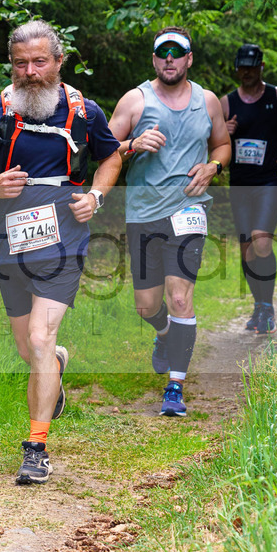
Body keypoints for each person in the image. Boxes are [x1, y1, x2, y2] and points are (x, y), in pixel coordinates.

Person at [0, 20, 122, 484]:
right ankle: (56, 364)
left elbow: (111, 156)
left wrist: (96, 197)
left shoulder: (85, 112)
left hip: (65, 242)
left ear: (58, 62)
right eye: (20, 63)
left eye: (39, 62)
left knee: (42, 341)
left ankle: (36, 448)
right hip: (11, 243)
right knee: (32, 350)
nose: (30, 71)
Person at [108, 26, 231, 417]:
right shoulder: (135, 100)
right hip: (143, 213)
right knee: (147, 306)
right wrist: (132, 145)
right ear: (155, 59)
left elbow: (222, 144)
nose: (170, 59)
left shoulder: (207, 101)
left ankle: (175, 386)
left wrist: (213, 166)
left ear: (189, 58)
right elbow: (105, 151)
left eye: (178, 53)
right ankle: (164, 335)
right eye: (164, 53)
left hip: (189, 210)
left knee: (180, 297)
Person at [220, 44, 277, 335]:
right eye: (242, 67)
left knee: (261, 241)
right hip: (240, 184)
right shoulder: (226, 103)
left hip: (270, 180)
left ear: (261, 66)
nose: (247, 72)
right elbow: (211, 142)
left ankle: (267, 307)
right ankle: (259, 304)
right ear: (237, 68)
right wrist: (224, 132)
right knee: (247, 250)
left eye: (252, 67)